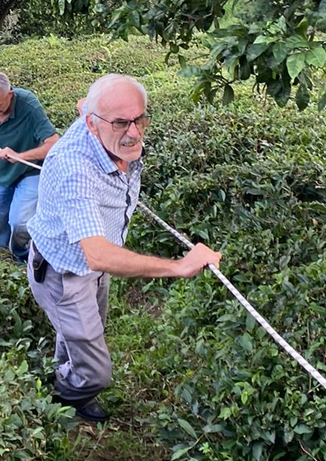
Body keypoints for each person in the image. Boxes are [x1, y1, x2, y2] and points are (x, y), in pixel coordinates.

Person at [26, 74, 222, 423]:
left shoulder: (97, 119)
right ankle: (65, 396)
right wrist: (179, 266)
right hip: (63, 270)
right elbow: (97, 253)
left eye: (139, 119)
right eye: (120, 123)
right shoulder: (76, 169)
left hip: (94, 267)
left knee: (85, 334)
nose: (133, 132)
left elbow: (85, 106)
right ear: (93, 124)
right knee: (98, 369)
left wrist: (104, 112)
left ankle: (67, 373)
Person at [0, 71, 59, 261]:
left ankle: (20, 253)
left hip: (28, 171)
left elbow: (54, 143)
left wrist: (20, 156)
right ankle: (1, 244)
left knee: (20, 222)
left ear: (10, 95)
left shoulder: (28, 105)